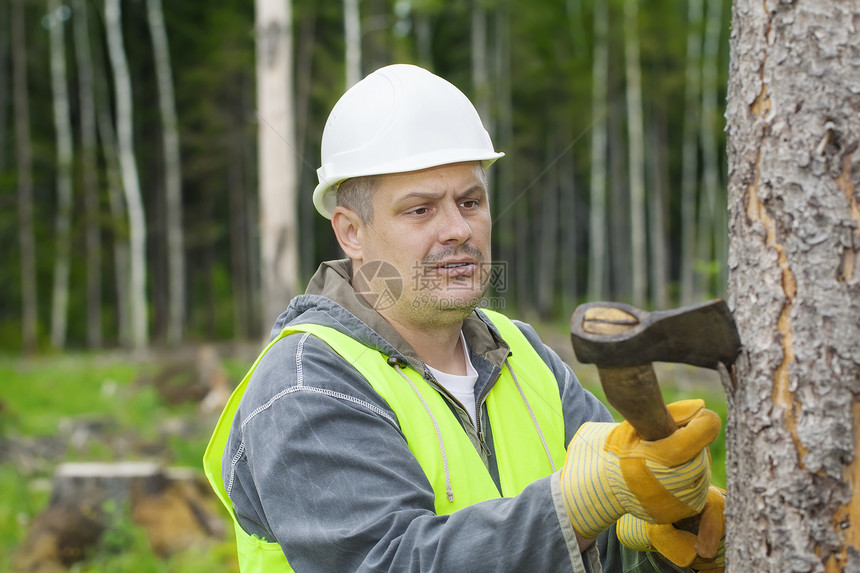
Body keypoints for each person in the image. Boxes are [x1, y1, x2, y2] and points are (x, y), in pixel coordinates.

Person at [204, 64, 726, 572]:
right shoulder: (306, 385)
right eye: (420, 209)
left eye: (470, 201)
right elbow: (389, 561)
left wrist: (653, 542)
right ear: (351, 233)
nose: (458, 228)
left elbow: (593, 535)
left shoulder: (523, 354)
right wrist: (578, 507)